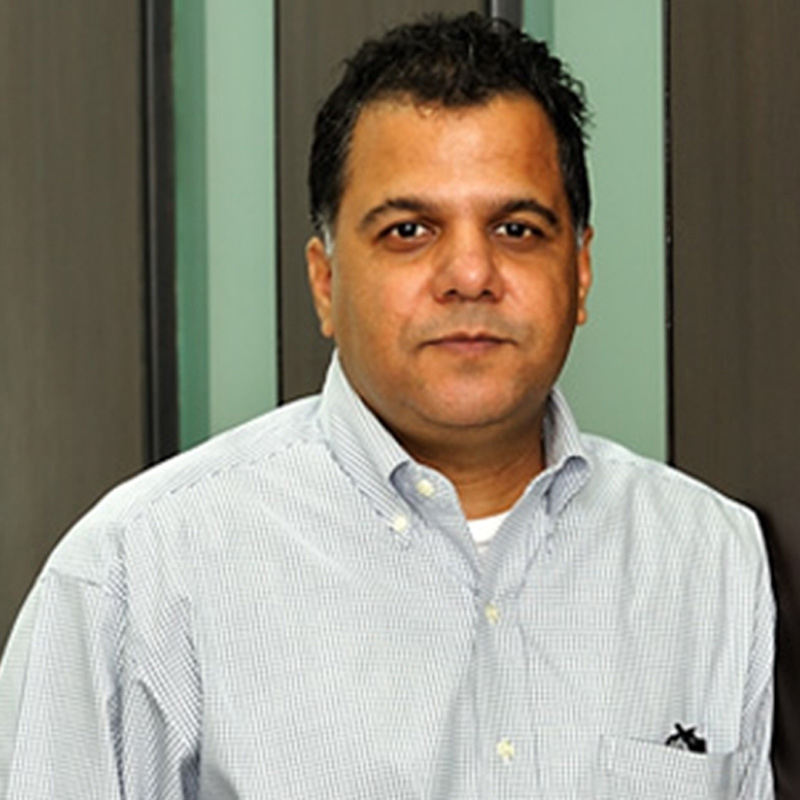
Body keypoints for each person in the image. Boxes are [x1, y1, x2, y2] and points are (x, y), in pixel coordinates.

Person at [0, 12, 773, 799]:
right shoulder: (136, 577)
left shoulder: (708, 558)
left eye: (516, 228)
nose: (470, 274)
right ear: (324, 282)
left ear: (580, 271)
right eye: (409, 230)